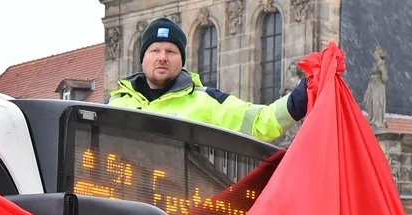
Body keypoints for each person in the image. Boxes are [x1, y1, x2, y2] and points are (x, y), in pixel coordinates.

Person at [109, 17, 308, 141]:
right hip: (122, 206)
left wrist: (301, 96)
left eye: (171, 51)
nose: (162, 57)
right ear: (143, 58)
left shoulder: (206, 101)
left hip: (179, 207)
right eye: (155, 50)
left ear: (182, 60)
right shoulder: (115, 104)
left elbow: (259, 121)